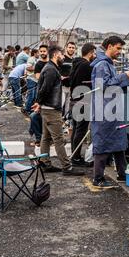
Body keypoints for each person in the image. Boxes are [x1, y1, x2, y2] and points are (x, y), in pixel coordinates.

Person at [32, 45, 84, 176]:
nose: (63, 57)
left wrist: (40, 103)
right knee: (59, 139)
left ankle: (45, 163)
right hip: (51, 109)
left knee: (46, 137)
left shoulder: (51, 68)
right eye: (61, 55)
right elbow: (44, 89)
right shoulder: (51, 70)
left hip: (47, 108)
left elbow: (44, 88)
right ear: (56, 55)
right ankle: (67, 167)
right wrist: (39, 102)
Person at [91, 36, 129, 189]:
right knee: (103, 143)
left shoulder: (108, 64)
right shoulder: (102, 65)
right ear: (109, 46)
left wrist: (127, 80)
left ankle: (123, 174)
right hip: (104, 111)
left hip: (113, 110)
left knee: (119, 143)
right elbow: (103, 86)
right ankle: (98, 178)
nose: (120, 52)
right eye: (118, 48)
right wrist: (123, 77)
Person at [70, 43, 96, 166]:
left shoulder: (76, 63)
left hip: (74, 99)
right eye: (94, 53)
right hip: (83, 101)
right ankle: (75, 158)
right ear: (90, 53)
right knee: (81, 130)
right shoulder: (87, 65)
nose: (95, 56)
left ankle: (74, 155)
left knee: (76, 129)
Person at [28, 45, 49, 146]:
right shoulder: (38, 64)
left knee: (39, 116)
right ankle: (38, 138)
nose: (42, 53)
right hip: (40, 91)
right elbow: (38, 77)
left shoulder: (52, 63)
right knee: (34, 115)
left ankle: (42, 138)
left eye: (44, 51)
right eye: (41, 51)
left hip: (52, 94)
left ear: (47, 52)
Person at [60, 41, 76, 118]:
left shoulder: (74, 60)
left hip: (70, 88)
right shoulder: (62, 59)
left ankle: (63, 122)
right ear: (66, 48)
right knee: (60, 105)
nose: (71, 49)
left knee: (67, 108)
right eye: (69, 47)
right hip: (61, 87)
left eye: (73, 48)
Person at [24, 49, 39, 114]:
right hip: (31, 79)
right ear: (35, 53)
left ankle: (31, 109)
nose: (39, 54)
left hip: (36, 80)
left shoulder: (37, 59)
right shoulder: (31, 59)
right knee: (31, 95)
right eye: (38, 53)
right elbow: (28, 68)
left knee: (35, 96)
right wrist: (38, 68)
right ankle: (27, 109)